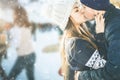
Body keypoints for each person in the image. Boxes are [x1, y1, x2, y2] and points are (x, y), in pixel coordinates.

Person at [51, 0, 107, 80]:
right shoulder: (76, 44)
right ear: (68, 18)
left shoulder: (82, 34)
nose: (82, 10)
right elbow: (105, 67)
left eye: (79, 6)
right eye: (76, 10)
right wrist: (100, 35)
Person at [77, 0, 120, 80]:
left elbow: (115, 70)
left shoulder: (115, 27)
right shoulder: (102, 22)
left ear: (95, 8)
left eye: (84, 7)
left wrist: (83, 76)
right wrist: (100, 36)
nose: (81, 10)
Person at [8, 6, 36, 80]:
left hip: (23, 57)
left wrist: (9, 39)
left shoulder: (16, 28)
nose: (12, 15)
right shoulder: (27, 25)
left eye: (13, 14)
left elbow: (15, 44)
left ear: (16, 15)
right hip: (32, 55)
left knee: (11, 77)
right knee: (31, 77)